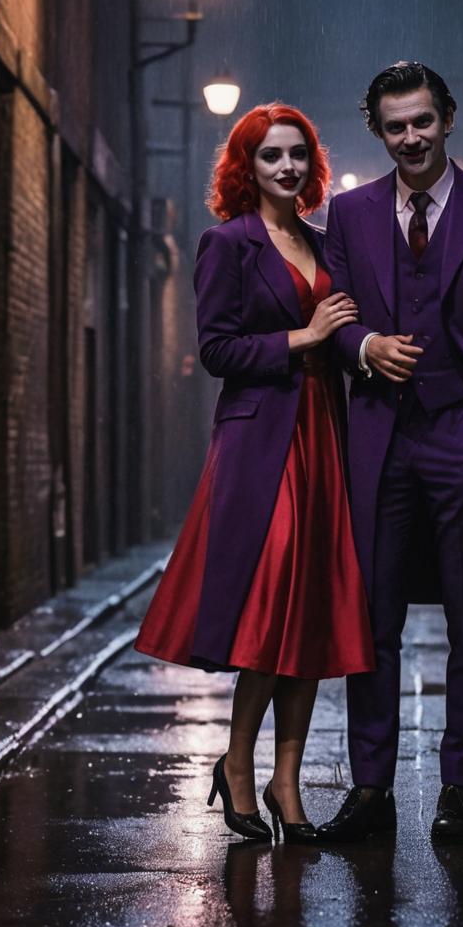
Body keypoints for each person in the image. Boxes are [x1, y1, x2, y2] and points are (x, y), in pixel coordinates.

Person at [318, 62, 463, 844]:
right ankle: (371, 789)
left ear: (447, 119)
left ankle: (458, 788)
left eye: (422, 121)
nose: (410, 137)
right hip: (378, 440)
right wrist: (363, 346)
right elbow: (335, 316)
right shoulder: (347, 215)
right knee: (371, 623)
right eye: (394, 126)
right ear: (377, 132)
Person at [134, 103, 375, 843]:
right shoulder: (227, 244)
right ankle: (238, 763)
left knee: (312, 615)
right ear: (248, 165)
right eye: (271, 156)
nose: (288, 168)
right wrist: (305, 336)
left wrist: (361, 347)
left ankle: (286, 781)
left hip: (323, 432)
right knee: (269, 610)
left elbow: (347, 330)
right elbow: (217, 351)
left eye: (298, 154)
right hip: (261, 442)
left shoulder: (322, 238)